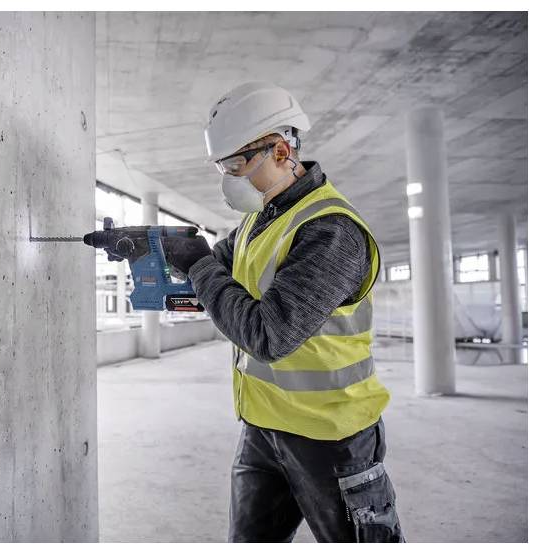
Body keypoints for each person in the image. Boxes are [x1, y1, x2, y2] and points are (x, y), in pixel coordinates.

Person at [162, 82, 405, 543]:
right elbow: (216, 267)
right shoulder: (260, 217)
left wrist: (196, 264)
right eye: (223, 165)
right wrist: (166, 250)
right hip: (263, 427)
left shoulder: (331, 230)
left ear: (279, 151)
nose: (228, 177)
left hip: (331, 436)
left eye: (236, 164)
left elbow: (268, 335)